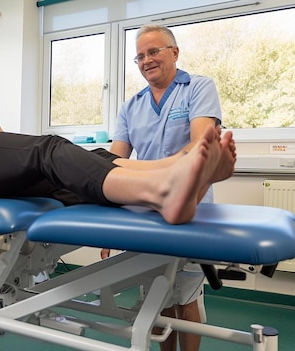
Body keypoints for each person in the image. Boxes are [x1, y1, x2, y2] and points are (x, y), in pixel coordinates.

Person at [0, 0, 236, 244]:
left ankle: (170, 174)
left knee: (73, 170)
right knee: (49, 147)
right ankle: (161, 189)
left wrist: (27, 166)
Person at [100, 25, 227, 351]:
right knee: (156, 297)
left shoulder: (198, 88)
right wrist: (106, 226)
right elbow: (112, 165)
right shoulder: (131, 106)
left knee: (184, 299)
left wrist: (159, 174)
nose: (146, 60)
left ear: (174, 52)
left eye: (153, 51)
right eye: (140, 56)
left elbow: (201, 147)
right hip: (143, 211)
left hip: (191, 207)